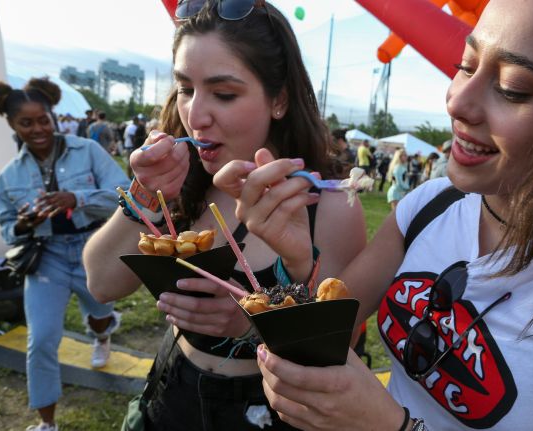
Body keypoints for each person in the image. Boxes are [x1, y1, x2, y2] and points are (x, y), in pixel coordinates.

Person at [213, 0, 533, 429]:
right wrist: (298, 262)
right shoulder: (430, 205)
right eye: (466, 64)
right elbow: (328, 335)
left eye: (513, 87)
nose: (457, 101)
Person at [82, 1, 365, 429]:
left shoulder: (323, 205)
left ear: (280, 100)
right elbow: (101, 284)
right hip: (170, 393)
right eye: (185, 89)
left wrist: (253, 325)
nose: (195, 116)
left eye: (224, 93)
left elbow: (337, 347)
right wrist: (145, 197)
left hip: (267, 412)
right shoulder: (181, 184)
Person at [0, 77, 129, 431]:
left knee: (98, 313)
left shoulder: (88, 151)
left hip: (92, 249)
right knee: (43, 338)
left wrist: (77, 198)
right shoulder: (8, 177)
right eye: (26, 122)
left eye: (42, 120)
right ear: (13, 125)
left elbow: (124, 195)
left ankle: (102, 331)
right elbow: (6, 228)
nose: (37, 129)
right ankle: (46, 423)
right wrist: (22, 223)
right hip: (45, 256)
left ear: (53, 117)